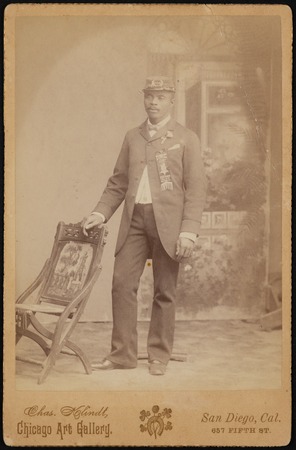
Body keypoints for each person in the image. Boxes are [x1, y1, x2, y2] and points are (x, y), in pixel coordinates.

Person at [83, 76, 207, 375]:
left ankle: (158, 356)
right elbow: (118, 183)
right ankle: (122, 355)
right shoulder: (132, 137)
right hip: (134, 220)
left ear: (171, 101)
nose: (153, 101)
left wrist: (188, 230)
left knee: (165, 290)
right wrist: (100, 213)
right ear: (144, 99)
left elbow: (196, 188)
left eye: (160, 97)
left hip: (170, 224)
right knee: (122, 284)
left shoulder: (186, 138)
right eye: (149, 96)